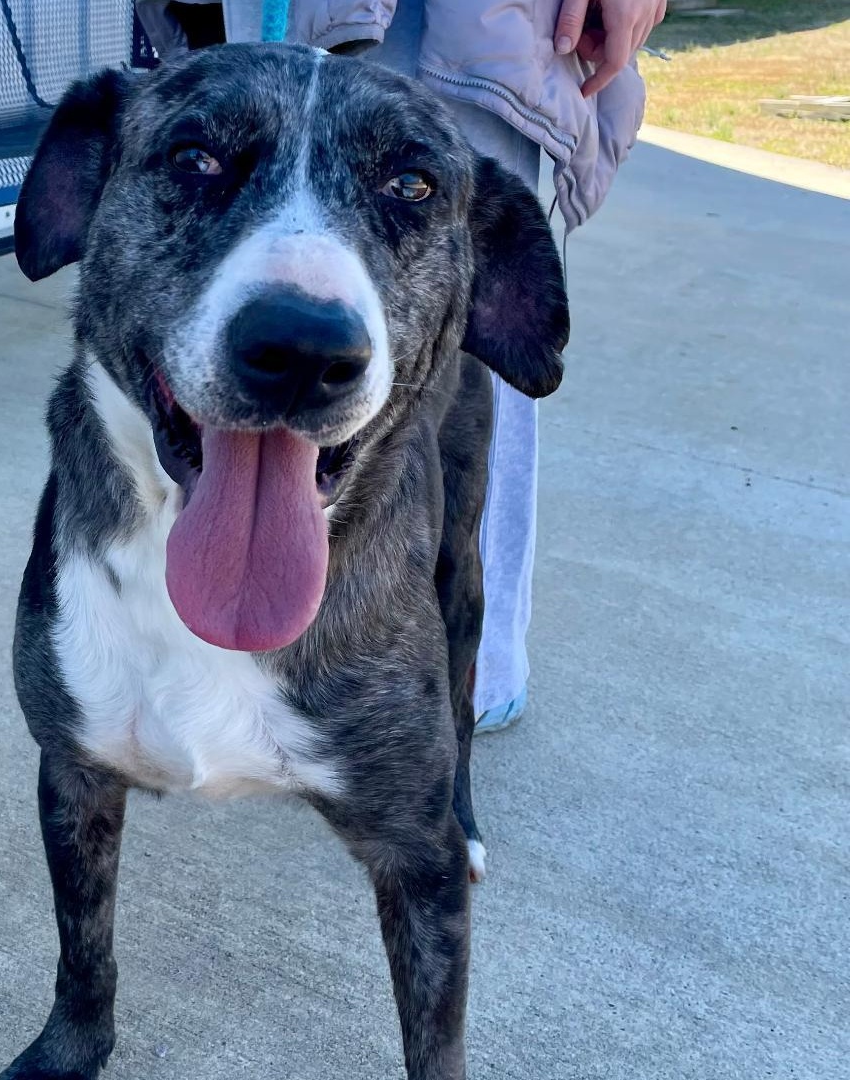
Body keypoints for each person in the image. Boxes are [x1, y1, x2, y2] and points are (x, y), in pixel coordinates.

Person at [137, 0, 664, 730]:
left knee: (461, 427)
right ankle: (251, 664)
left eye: (411, 191)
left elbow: (523, 360)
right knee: (232, 343)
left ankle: (461, 695)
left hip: (475, 30)